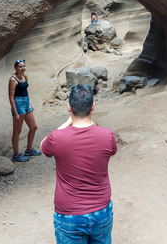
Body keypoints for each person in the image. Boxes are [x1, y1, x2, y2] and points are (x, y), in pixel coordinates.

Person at [40, 84, 117, 244]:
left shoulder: (56, 137)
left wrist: (68, 122)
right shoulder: (107, 135)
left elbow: (43, 147)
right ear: (93, 107)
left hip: (69, 213)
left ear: (69, 107)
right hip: (101, 210)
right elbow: (112, 150)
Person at [8, 59, 41, 162]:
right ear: (15, 68)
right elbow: (11, 97)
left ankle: (29, 150)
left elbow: (25, 92)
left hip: (26, 104)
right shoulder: (13, 79)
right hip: (18, 105)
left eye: (23, 66)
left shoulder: (23, 77)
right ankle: (16, 155)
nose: (22, 68)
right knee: (17, 131)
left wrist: (29, 104)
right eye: (20, 67)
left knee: (34, 127)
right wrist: (16, 113)